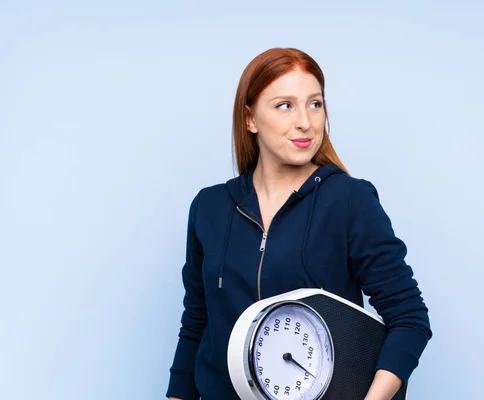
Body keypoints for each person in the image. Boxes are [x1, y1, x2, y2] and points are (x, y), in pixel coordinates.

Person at [166, 47, 432, 400]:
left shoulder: (349, 201)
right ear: (250, 119)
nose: (305, 121)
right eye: (285, 105)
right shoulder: (210, 207)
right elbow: (197, 323)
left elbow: (410, 319)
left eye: (315, 104)